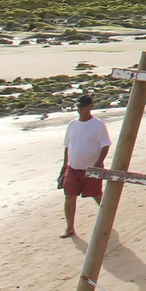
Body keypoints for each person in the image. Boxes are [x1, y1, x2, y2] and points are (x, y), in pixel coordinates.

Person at [61, 94, 111, 238]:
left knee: (96, 195)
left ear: (91, 107)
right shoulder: (72, 124)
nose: (79, 109)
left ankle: (107, 220)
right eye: (78, 106)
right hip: (73, 168)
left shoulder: (99, 124)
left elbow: (105, 145)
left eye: (82, 106)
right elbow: (67, 146)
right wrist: (64, 165)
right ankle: (70, 228)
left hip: (92, 169)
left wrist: (97, 165)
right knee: (69, 197)